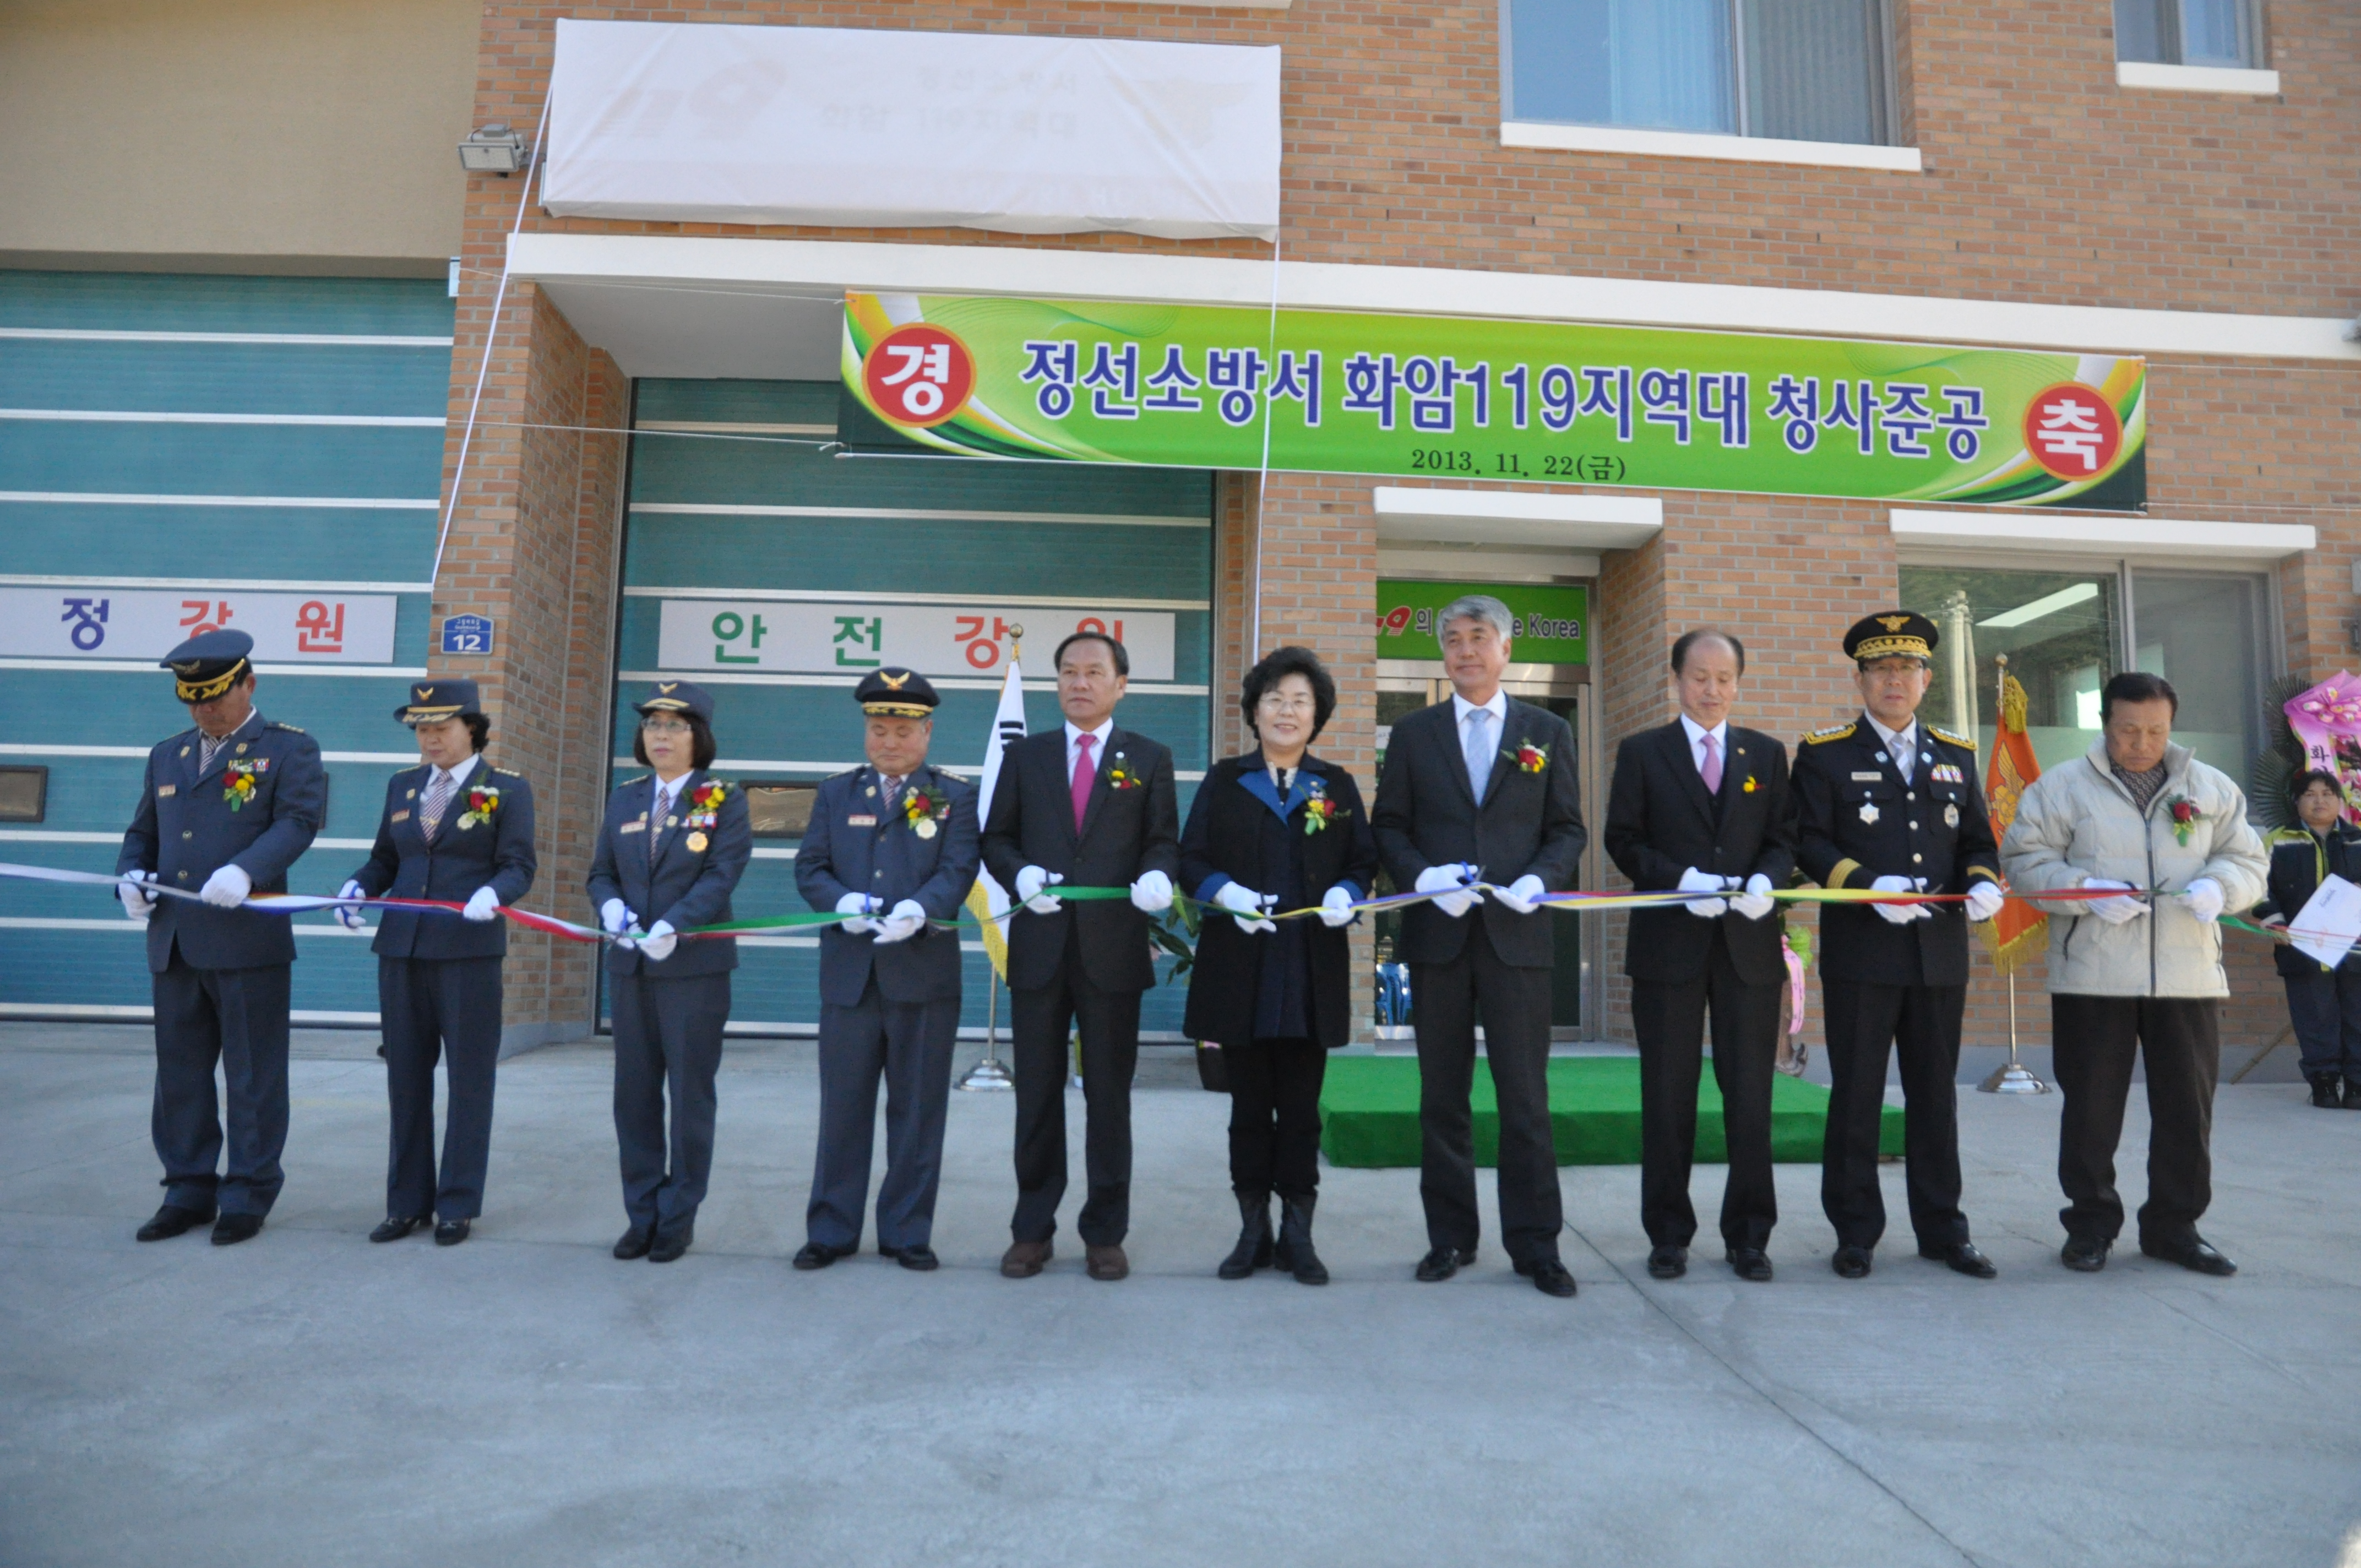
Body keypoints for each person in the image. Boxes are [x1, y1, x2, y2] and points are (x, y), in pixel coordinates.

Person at [2000, 671, 2267, 1277]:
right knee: (2091, 1111)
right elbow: (2023, 860)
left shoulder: (2210, 787)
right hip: (2094, 977)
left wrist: (2220, 887)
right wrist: (2083, 890)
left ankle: (2175, 1228)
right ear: (2105, 724)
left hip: (2187, 974)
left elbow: (2248, 859)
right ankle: (2090, 1226)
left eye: (2155, 731)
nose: (2141, 743)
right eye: (2127, 730)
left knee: (2186, 1111)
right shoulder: (2062, 787)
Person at [1372, 594, 1587, 1298]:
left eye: (1479, 637)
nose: (1465, 650)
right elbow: (1389, 826)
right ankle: (1449, 1238)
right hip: (1439, 937)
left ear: (1506, 648)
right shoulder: (1414, 733)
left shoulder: (1546, 730)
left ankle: (1537, 1246)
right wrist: (1423, 878)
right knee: (1442, 1096)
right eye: (1453, 639)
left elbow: (1567, 829)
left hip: (1516, 937)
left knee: (1524, 1098)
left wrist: (1539, 879)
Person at [1791, 612, 2008, 1282]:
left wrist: (1981, 881)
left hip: (1938, 954)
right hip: (1862, 953)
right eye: (1880, 669)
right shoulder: (1825, 753)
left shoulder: (1955, 753)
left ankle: (1943, 1230)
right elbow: (1806, 840)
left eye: (1906, 668)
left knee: (1935, 1097)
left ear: (1926, 679)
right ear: (1860, 679)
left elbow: (1976, 839)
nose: (1894, 680)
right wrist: (1864, 883)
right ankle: (1855, 1232)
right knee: (1856, 1095)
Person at [981, 631, 1180, 1282]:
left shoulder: (1148, 757)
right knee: (1037, 1096)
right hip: (1039, 950)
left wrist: (1158, 875)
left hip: (1112, 951)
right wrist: (1019, 875)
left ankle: (1104, 1232)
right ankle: (1031, 1229)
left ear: (1121, 684)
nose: (1079, 682)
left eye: (1094, 671)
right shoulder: (1027, 755)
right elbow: (996, 838)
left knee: (1108, 1097)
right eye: (1068, 671)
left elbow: (1161, 840)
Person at [115, 629, 325, 1245]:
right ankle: (187, 1189)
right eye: (193, 699)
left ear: (248, 684)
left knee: (253, 1075)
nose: (204, 709)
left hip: (246, 940)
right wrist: (130, 876)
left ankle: (248, 1192)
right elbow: (144, 832)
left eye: (215, 696)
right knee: (179, 1074)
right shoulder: (168, 754)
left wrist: (247, 870)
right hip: (176, 940)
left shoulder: (287, 748)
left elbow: (298, 821)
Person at [1179, 646, 1379, 1286]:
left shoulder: (1335, 784)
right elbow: (1190, 859)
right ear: (1254, 711)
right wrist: (1226, 893)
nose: (1286, 711)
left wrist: (1348, 892)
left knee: (1299, 1111)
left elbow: (1362, 860)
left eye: (1299, 701)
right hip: (1240, 970)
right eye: (1274, 699)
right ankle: (1252, 1231)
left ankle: (1298, 1232)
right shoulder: (1225, 779)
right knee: (1247, 1110)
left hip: (1308, 973)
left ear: (1316, 714)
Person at [1602, 628, 1794, 1283]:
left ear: (1738, 682)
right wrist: (1680, 880)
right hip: (1668, 948)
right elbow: (1623, 839)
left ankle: (1750, 1236)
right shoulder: (1642, 752)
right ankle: (1667, 1235)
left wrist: (1766, 880)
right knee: (1667, 1096)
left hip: (1747, 949)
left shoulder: (1764, 754)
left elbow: (1783, 838)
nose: (1711, 690)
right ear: (1676, 679)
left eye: (1724, 678)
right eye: (1699, 677)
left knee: (1751, 1097)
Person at [791, 668, 982, 1272]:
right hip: (850, 978)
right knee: (842, 1110)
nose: (889, 742)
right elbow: (810, 867)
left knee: (918, 1111)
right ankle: (831, 1230)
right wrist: (841, 903)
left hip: (923, 974)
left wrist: (919, 909)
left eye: (902, 730)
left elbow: (959, 868)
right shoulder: (836, 793)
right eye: (879, 729)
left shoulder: (955, 795)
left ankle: (906, 1231)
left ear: (927, 733)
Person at [334, 679, 536, 1247]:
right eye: (421, 728)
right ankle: (406, 1203)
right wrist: (359, 886)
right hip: (402, 950)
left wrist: (494, 893)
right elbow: (385, 859)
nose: (430, 738)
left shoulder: (505, 789)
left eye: (441, 727)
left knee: (469, 1080)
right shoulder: (403, 785)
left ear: (472, 728)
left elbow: (519, 865)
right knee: (404, 1079)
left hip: (467, 951)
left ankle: (457, 1203)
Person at [586, 680, 753, 1264]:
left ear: (698, 736)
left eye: (674, 726)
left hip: (694, 969)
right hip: (631, 968)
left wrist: (675, 924)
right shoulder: (626, 799)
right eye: (653, 724)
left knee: (689, 1097)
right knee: (633, 1097)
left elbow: (722, 874)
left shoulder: (723, 798)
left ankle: (678, 1218)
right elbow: (601, 872)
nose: (661, 735)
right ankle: (642, 1215)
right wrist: (610, 907)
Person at [2252, 769, 2361, 1108]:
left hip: (2355, 949)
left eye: (2327, 794)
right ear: (2296, 801)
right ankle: (2323, 1082)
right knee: (2314, 1017)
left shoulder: (2358, 839)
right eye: (2310, 795)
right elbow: (2257, 886)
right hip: (2301, 946)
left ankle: (2357, 1085)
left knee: (2358, 1016)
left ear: (2340, 801)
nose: (2319, 801)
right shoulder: (2276, 841)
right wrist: (2275, 922)